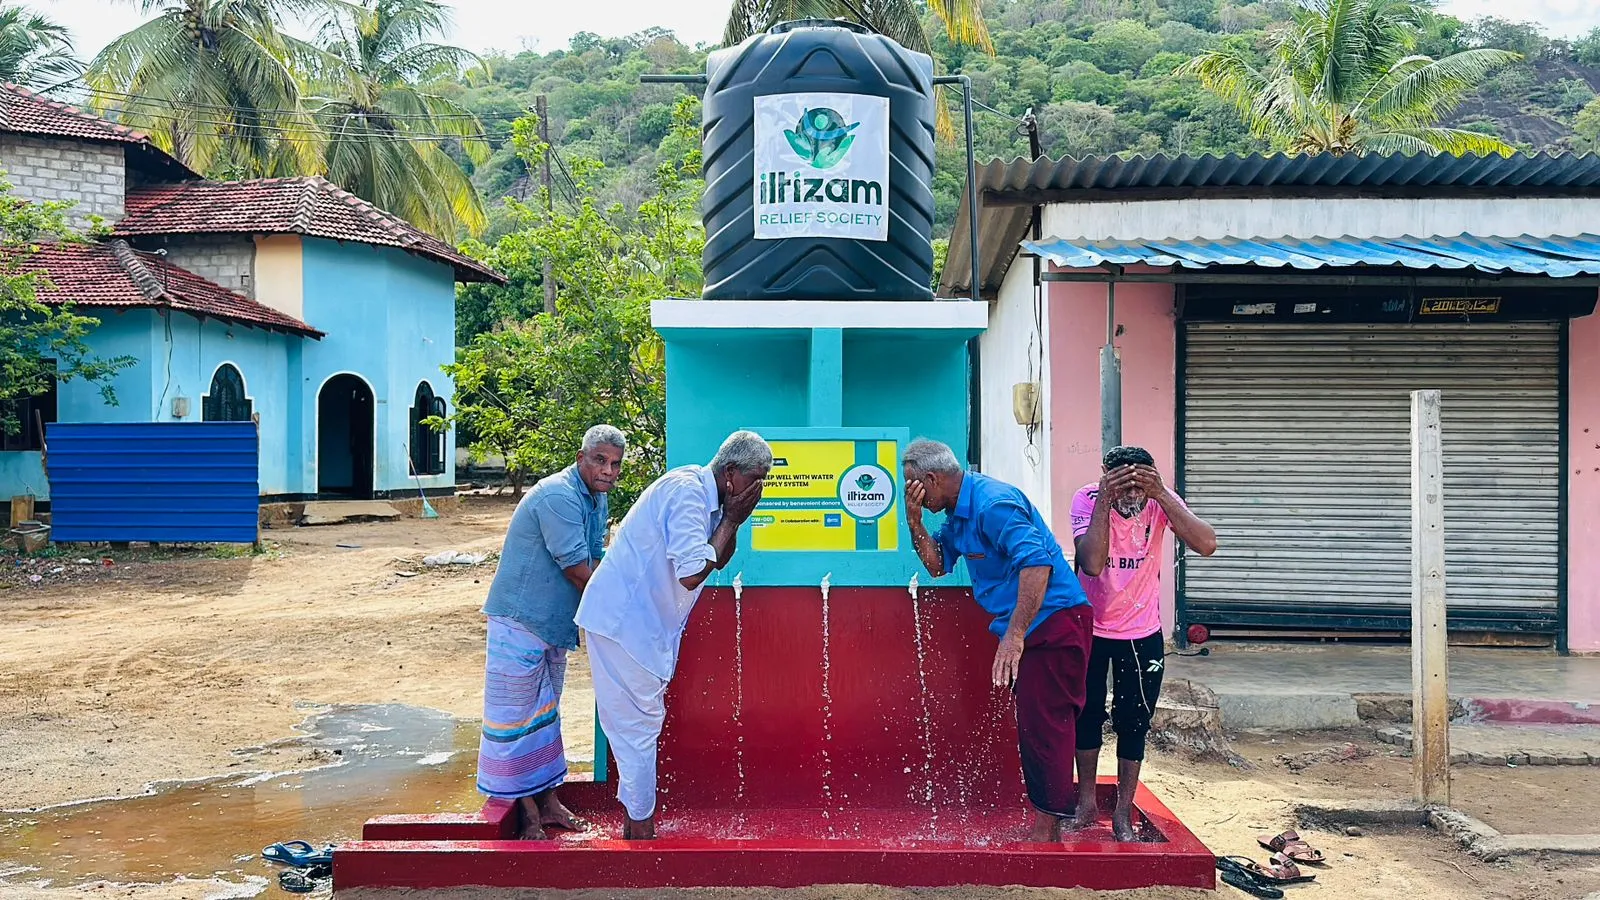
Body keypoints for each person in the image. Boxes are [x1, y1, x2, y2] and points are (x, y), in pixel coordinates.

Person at [575, 430, 771, 840]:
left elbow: (718, 558)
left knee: (636, 728)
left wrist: (733, 519)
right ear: (731, 474)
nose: (761, 488)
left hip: (640, 627)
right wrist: (733, 518)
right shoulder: (687, 495)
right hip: (623, 624)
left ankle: (636, 824)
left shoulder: (711, 496)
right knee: (637, 729)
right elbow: (690, 574)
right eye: (758, 478)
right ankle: (640, 832)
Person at [901, 438, 1094, 843]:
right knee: (1035, 724)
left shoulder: (992, 504)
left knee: (1047, 726)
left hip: (1054, 621)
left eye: (913, 485)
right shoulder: (957, 515)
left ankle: (1047, 832)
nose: (910, 492)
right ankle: (1050, 821)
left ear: (932, 479)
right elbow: (937, 566)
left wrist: (1015, 635)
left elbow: (1038, 563)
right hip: (1031, 625)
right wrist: (915, 522)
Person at [475, 424, 626, 839]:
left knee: (544, 716)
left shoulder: (595, 499)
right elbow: (579, 570)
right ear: (581, 459)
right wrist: (634, 606)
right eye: (600, 460)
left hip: (553, 626)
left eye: (615, 464)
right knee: (516, 721)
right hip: (519, 622)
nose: (609, 470)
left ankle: (551, 804)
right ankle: (528, 815)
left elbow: (598, 560)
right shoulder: (559, 495)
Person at [1070, 445, 1217, 842]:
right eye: (1125, 486)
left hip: (1141, 631)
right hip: (1092, 628)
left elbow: (1206, 544)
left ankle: (1122, 812)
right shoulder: (1087, 498)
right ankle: (1084, 804)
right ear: (1105, 475)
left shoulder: (1160, 501)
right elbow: (1092, 563)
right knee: (1085, 718)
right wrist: (1105, 497)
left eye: (1141, 485)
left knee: (1134, 721)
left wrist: (1163, 494)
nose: (1134, 496)